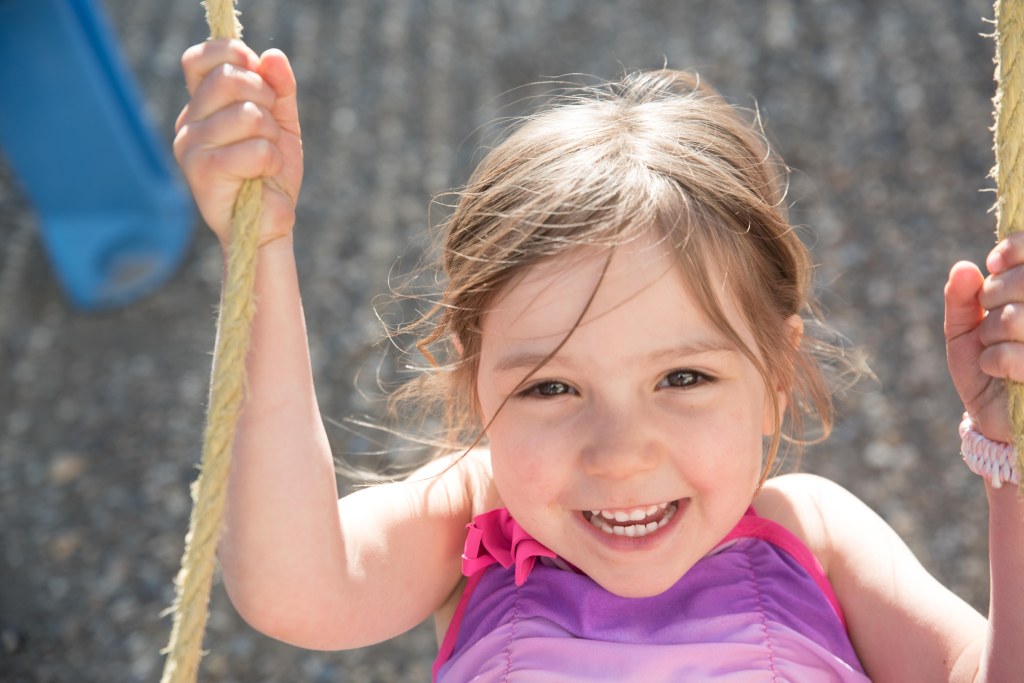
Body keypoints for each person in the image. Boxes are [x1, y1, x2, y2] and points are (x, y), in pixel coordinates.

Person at [173, 38, 1024, 681]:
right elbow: (296, 587)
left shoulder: (819, 534)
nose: (620, 454)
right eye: (550, 386)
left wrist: (1013, 466)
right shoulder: (471, 514)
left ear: (774, 376)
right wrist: (263, 250)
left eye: (682, 378)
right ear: (475, 383)